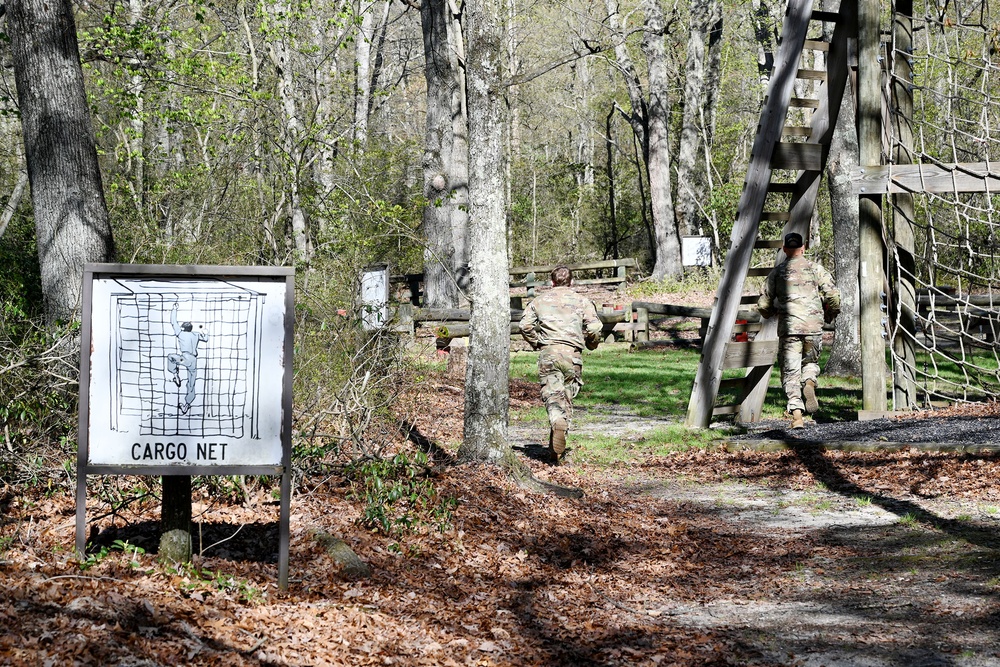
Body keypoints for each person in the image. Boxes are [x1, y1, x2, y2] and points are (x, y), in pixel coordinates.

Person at [518, 265, 603, 464]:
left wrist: (536, 342)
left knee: (552, 395)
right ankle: (557, 450)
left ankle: (557, 424)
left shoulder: (538, 301)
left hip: (549, 352)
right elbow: (595, 327)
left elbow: (524, 325)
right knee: (566, 396)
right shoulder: (582, 301)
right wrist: (592, 343)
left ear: (551, 282)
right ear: (572, 282)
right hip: (572, 355)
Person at [757, 232, 841, 429]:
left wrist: (770, 313)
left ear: (785, 249)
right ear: (803, 247)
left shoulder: (777, 273)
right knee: (810, 362)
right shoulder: (816, 269)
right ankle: (810, 382)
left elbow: (763, 303)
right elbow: (833, 296)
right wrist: (830, 314)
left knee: (790, 371)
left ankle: (797, 416)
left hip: (789, 329)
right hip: (813, 327)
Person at [167, 303, 209, 415]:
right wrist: (205, 332)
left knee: (171, 357)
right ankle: (187, 405)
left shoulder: (180, 333)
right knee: (191, 383)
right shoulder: (195, 335)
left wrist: (174, 309)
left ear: (183, 328)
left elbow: (173, 322)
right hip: (193, 361)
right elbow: (205, 338)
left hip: (184, 359)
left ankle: (175, 375)